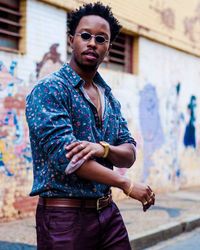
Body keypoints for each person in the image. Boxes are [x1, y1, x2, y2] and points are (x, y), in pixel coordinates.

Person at [26, 2, 155, 250]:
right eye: (85, 35)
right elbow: (68, 159)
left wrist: (103, 149)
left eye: (101, 38)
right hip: (64, 219)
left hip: (107, 213)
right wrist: (126, 185)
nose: (92, 43)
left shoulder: (109, 97)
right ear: (71, 39)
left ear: (108, 46)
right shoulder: (50, 89)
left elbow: (129, 154)